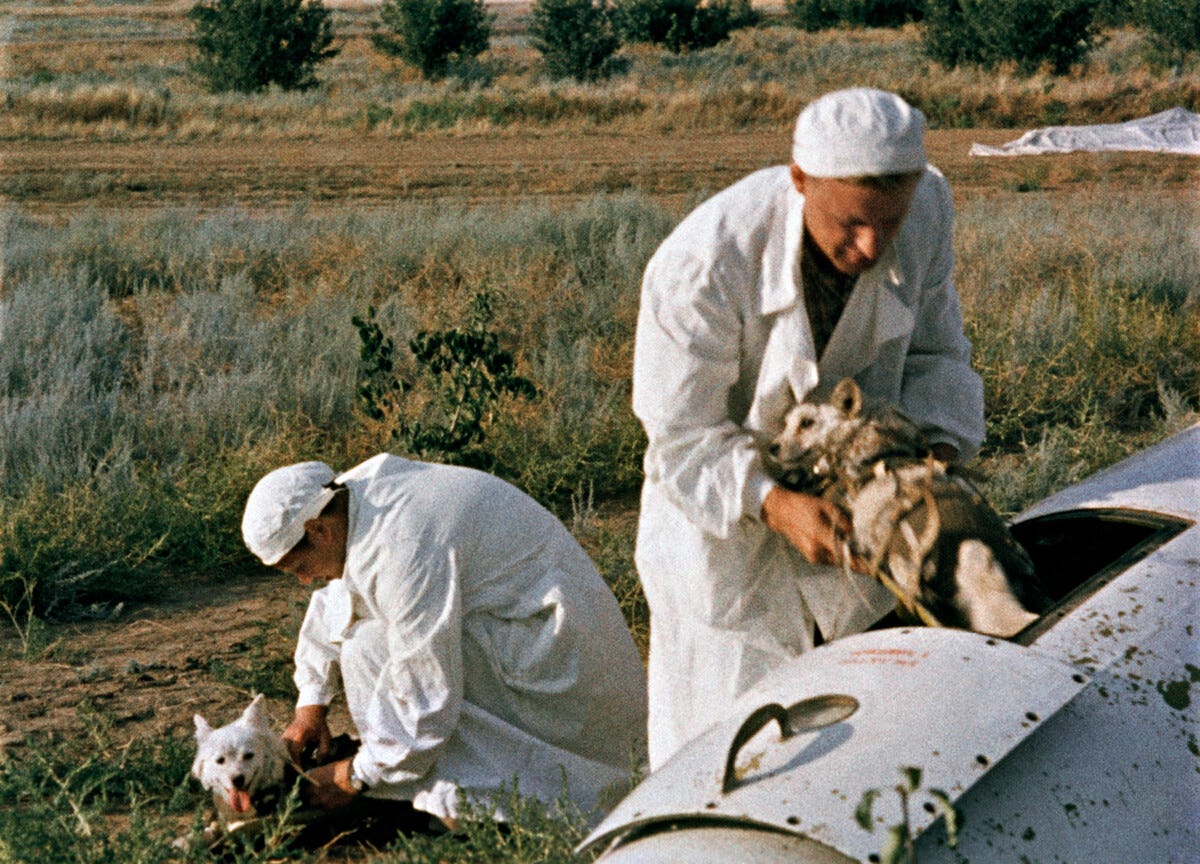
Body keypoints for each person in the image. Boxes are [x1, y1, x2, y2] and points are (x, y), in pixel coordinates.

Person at [631, 87, 985, 769]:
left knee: (858, 733)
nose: (872, 244)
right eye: (849, 223)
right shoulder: (704, 266)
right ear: (800, 181)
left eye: (890, 220)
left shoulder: (928, 208)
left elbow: (939, 356)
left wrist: (929, 460)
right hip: (721, 530)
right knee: (725, 747)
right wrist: (774, 503)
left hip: (862, 519)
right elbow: (681, 435)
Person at [240, 454, 648, 827]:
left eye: (300, 567)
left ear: (318, 530)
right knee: (367, 642)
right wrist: (310, 708)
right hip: (526, 633)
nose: (305, 580)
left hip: (564, 667)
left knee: (376, 649)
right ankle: (408, 784)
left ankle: (464, 805)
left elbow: (425, 693)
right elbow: (334, 601)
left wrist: (355, 775)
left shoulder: (405, 543)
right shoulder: (353, 500)